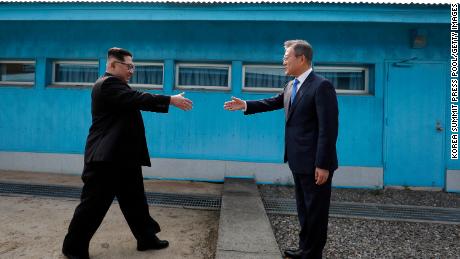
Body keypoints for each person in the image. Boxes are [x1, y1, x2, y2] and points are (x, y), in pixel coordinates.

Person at [62, 47, 193, 259]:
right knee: (93, 205)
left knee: (135, 201)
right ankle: (73, 247)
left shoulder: (118, 87)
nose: (132, 70)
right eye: (128, 66)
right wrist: (170, 99)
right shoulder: (108, 84)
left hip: (123, 157)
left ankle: (146, 238)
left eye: (133, 66)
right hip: (106, 159)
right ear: (113, 65)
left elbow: (135, 100)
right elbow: (138, 98)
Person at [224, 40, 338, 259]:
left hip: (316, 163)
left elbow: (328, 128)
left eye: (287, 57)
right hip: (298, 160)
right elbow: (274, 102)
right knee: (304, 210)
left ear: (301, 58)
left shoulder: (321, 86)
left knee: (316, 211)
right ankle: (305, 249)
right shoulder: (291, 86)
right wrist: (246, 105)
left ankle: (313, 254)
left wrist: (323, 164)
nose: (283, 61)